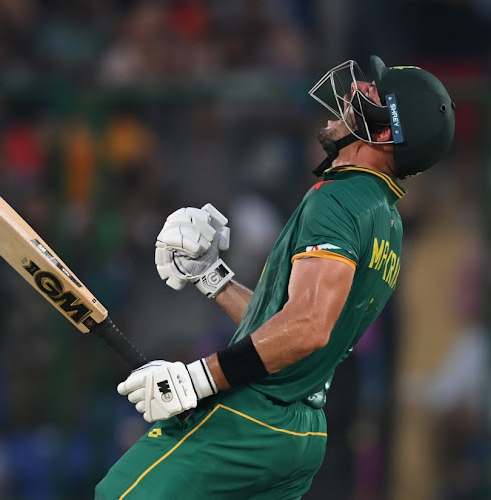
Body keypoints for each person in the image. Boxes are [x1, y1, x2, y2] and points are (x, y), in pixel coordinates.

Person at [95, 55, 456, 499]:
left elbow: (308, 326)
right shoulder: (388, 222)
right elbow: (286, 328)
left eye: (372, 96)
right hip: (300, 434)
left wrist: (197, 378)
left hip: (254, 416)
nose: (353, 93)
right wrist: (213, 277)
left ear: (385, 134)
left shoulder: (339, 198)